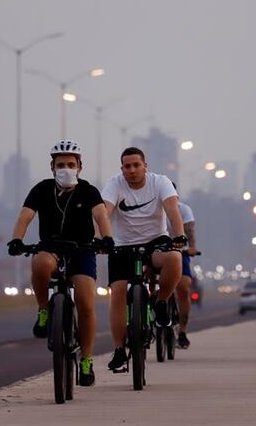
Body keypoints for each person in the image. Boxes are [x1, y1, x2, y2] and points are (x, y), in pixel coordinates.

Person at [6, 140, 113, 386]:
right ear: (52, 167)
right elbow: (25, 216)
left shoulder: (88, 191)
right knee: (40, 264)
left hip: (82, 250)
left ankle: (86, 360)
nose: (66, 168)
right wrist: (16, 239)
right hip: (51, 247)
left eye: (71, 164)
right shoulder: (41, 189)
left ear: (80, 167)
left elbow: (100, 215)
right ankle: (44, 309)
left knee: (86, 303)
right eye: (60, 164)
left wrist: (106, 238)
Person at [101, 147, 187, 371]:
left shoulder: (160, 182)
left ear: (145, 166)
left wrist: (179, 235)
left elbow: (172, 209)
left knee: (175, 259)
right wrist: (100, 238)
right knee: (117, 293)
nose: (132, 170)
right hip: (122, 246)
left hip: (155, 243)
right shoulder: (114, 184)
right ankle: (119, 350)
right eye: (127, 166)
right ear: (122, 169)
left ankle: (160, 303)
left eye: (136, 165)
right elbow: (104, 212)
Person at [170, 183, 198, 349]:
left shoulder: (183, 209)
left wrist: (192, 247)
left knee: (184, 288)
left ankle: (182, 331)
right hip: (156, 251)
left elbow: (189, 230)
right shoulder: (151, 208)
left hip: (181, 252)